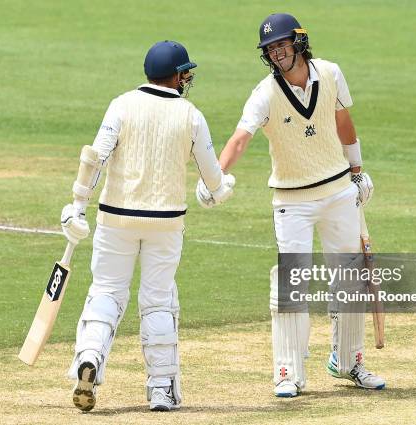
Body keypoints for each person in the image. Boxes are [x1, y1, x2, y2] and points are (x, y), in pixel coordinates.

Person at [60, 40, 235, 412]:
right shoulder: (191, 115)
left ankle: (88, 358)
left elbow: (95, 158)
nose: (187, 77)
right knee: (158, 301)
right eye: (184, 71)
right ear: (175, 75)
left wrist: (76, 208)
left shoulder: (121, 104)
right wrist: (220, 191)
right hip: (166, 223)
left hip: (115, 217)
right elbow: (213, 179)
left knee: (106, 292)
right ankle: (161, 390)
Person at [217, 13, 385, 397]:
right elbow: (240, 137)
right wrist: (216, 177)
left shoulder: (330, 73)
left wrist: (358, 170)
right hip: (291, 200)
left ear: (298, 42)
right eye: (270, 49)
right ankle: (288, 372)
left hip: (339, 190)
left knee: (349, 278)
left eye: (281, 45)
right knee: (290, 285)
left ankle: (348, 363)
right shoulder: (265, 92)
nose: (276, 54)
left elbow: (344, 120)